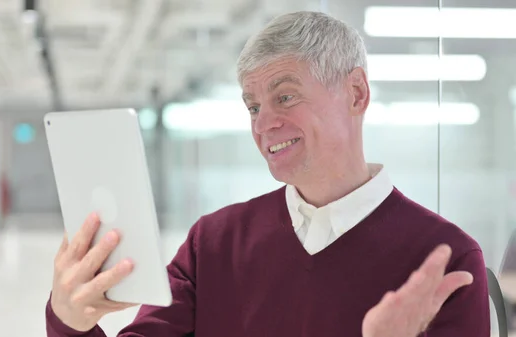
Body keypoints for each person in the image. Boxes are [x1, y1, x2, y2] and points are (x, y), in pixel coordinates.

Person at [45, 11, 490, 337]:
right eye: (253, 106)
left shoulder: (444, 259)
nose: (263, 124)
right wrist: (70, 322)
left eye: (286, 97)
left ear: (356, 93)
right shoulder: (213, 243)